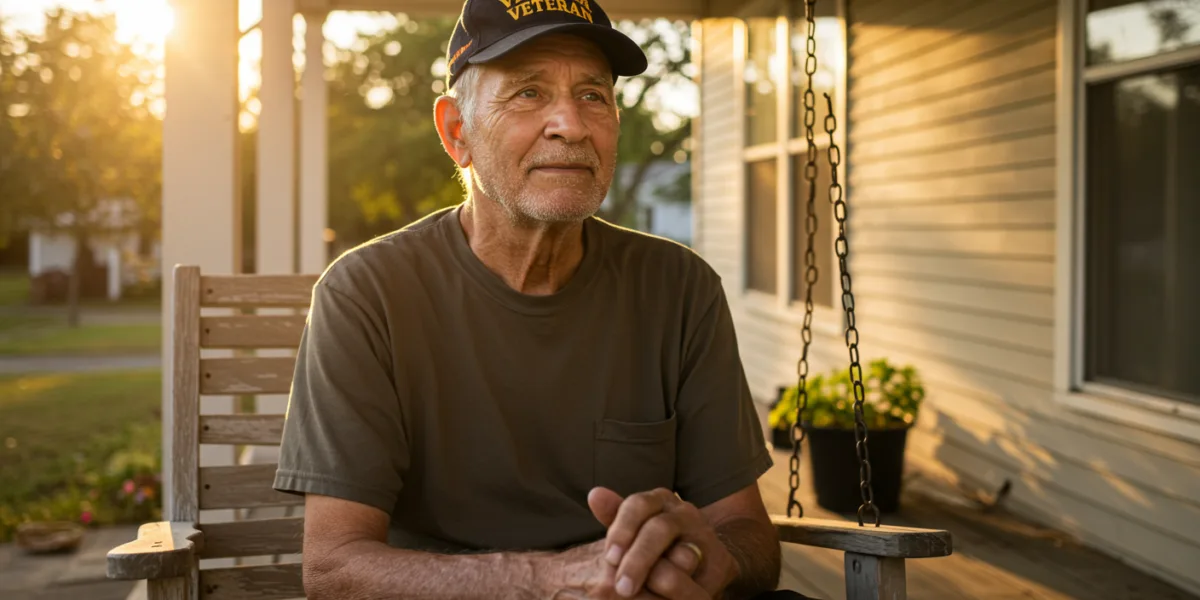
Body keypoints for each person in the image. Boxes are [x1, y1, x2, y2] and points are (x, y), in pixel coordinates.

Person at [273, 0, 808, 597]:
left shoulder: (680, 288)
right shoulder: (367, 295)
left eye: (593, 95)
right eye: (528, 93)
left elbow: (746, 534)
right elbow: (333, 569)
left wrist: (704, 557)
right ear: (457, 132)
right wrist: (547, 580)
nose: (571, 125)